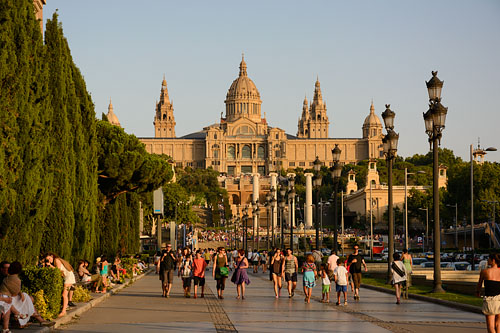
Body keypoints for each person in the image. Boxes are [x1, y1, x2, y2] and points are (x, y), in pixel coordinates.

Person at [0, 261, 53, 330]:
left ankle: (22, 320)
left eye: (9, 268)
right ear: (1, 269)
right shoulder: (3, 278)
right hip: (4, 299)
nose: (8, 269)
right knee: (27, 299)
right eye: (6, 268)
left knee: (28, 297)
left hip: (9, 298)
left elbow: (13, 289)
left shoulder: (10, 277)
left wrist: (20, 293)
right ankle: (36, 318)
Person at [476, 253, 500, 333]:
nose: (487, 260)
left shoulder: (485, 272)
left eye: (488, 259)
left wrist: (478, 292)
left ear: (493, 260)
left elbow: (479, 285)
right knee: (498, 324)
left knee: (490, 326)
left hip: (490, 300)